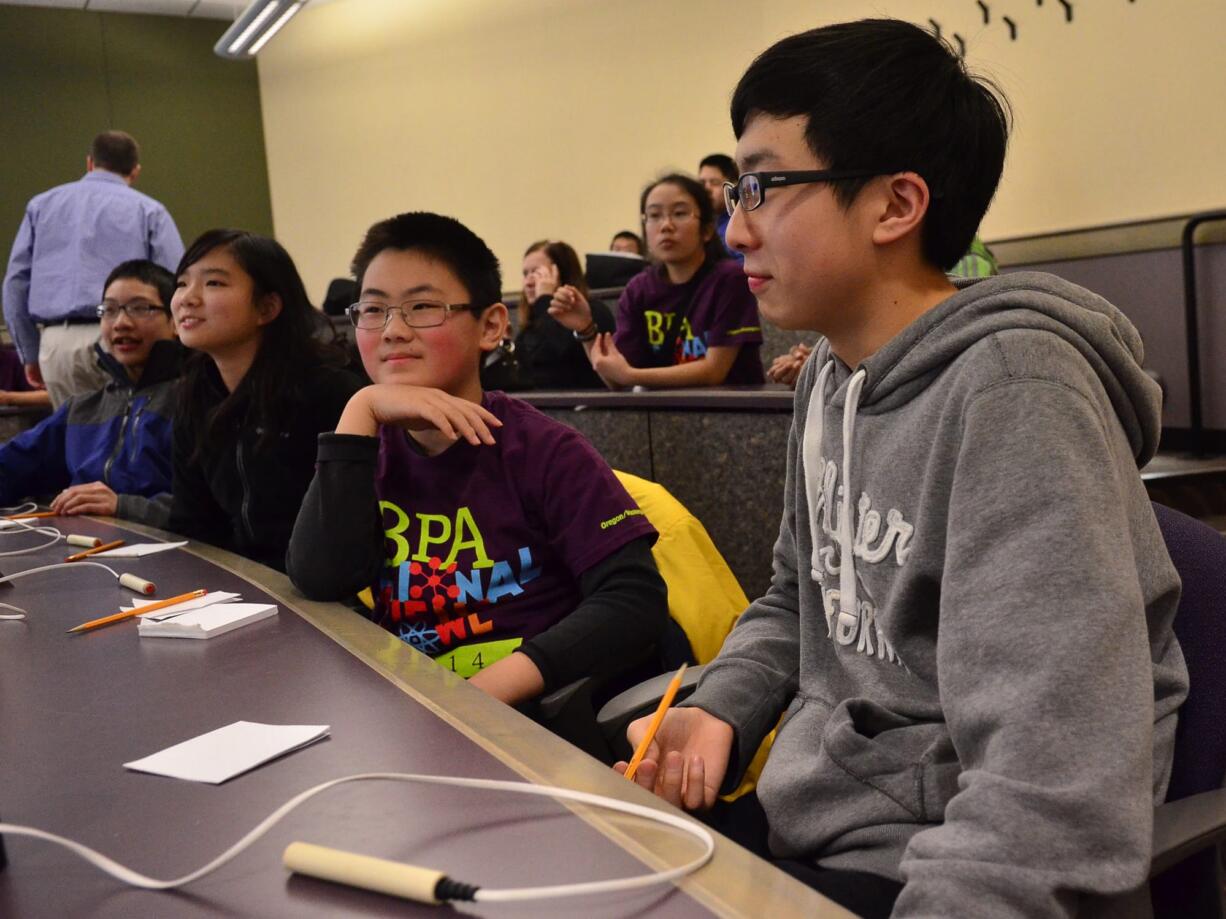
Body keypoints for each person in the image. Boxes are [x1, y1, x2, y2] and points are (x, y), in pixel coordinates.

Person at [615, 19, 1188, 919]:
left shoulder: (1016, 393)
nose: (734, 230)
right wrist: (719, 705)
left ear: (894, 205)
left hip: (927, 869)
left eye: (761, 186)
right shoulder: (832, 376)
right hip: (808, 826)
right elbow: (799, 593)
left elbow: (1053, 778)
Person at [286, 211, 668, 707]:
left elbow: (634, 602)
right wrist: (361, 408)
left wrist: (481, 696)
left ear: (490, 326)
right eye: (374, 310)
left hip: (523, 721)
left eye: (421, 306)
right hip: (404, 711)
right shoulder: (367, 449)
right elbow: (319, 579)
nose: (392, 331)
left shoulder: (544, 451)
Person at [167, 229, 363, 572]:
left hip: (326, 592)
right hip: (241, 590)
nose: (187, 298)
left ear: (267, 307)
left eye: (213, 283)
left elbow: (350, 530)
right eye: (182, 283)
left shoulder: (328, 391)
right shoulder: (194, 395)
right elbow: (193, 524)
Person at [2, 131, 184, 408]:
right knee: (132, 433)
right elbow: (173, 281)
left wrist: (30, 352)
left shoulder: (40, 206)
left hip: (55, 343)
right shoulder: (149, 211)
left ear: (90, 163)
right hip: (126, 335)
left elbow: (16, 283)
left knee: (76, 438)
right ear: (135, 171)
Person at [0, 260, 181, 521]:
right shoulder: (83, 408)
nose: (121, 322)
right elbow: (13, 465)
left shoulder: (196, 401)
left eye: (140, 308)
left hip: (171, 554)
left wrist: (122, 505)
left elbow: (208, 512)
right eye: (109, 310)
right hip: (81, 549)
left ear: (175, 320)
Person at [551, 174, 764, 388]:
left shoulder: (730, 279)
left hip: (730, 415)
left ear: (707, 230)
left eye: (679, 213)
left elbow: (714, 371)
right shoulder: (638, 289)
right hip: (664, 416)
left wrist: (631, 377)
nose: (666, 226)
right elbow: (616, 380)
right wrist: (586, 329)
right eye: (654, 215)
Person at [515, 240, 614, 389]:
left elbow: (563, 352)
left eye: (537, 273)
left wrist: (545, 299)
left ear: (560, 275)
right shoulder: (532, 322)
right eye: (525, 274)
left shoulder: (593, 311)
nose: (528, 282)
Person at [698, 153, 742, 260]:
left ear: (732, 186)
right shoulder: (699, 222)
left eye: (714, 183)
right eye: (702, 183)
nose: (707, 189)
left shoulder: (741, 224)